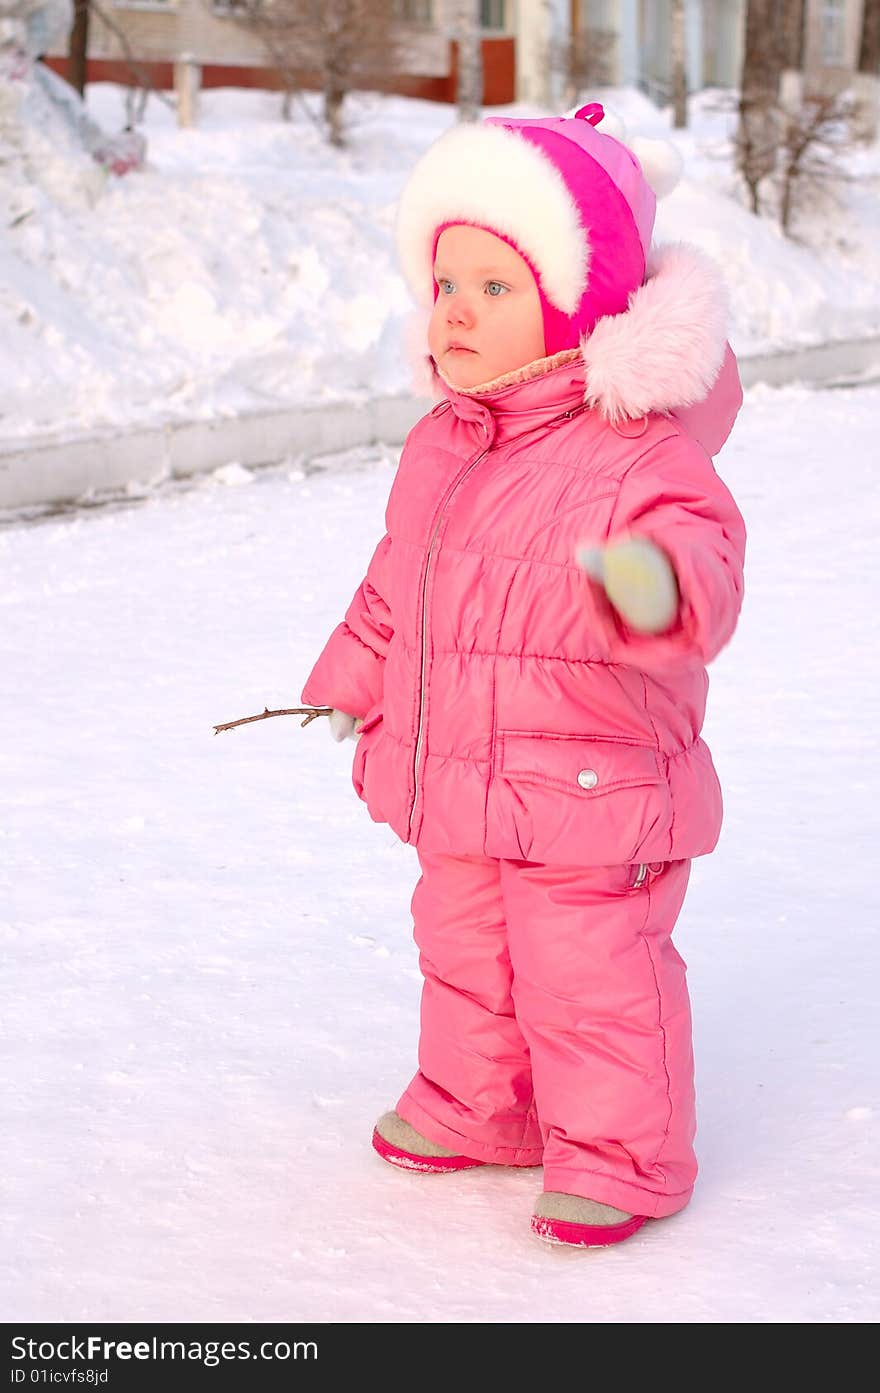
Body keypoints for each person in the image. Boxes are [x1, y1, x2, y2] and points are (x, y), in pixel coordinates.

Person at [300, 103, 747, 1248]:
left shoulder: (636, 446)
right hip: (456, 772)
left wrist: (641, 584)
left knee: (587, 975)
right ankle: (478, 1108)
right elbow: (401, 577)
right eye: (445, 282)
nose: (453, 308)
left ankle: (620, 1156)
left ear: (575, 301)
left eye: (494, 287)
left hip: (588, 786)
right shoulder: (444, 440)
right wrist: (355, 672)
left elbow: (700, 574)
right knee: (465, 952)